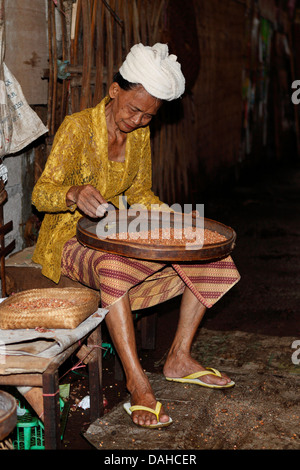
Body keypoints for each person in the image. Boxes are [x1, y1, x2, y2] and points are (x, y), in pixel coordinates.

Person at [27, 43, 240, 428]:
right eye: (133, 109)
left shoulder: (140, 136)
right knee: (112, 266)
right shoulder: (77, 128)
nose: (139, 120)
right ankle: (137, 381)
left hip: (119, 229)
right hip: (68, 238)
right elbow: (41, 195)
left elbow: (140, 194)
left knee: (210, 253)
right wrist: (73, 194)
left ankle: (178, 356)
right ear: (114, 91)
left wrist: (177, 223)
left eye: (148, 116)